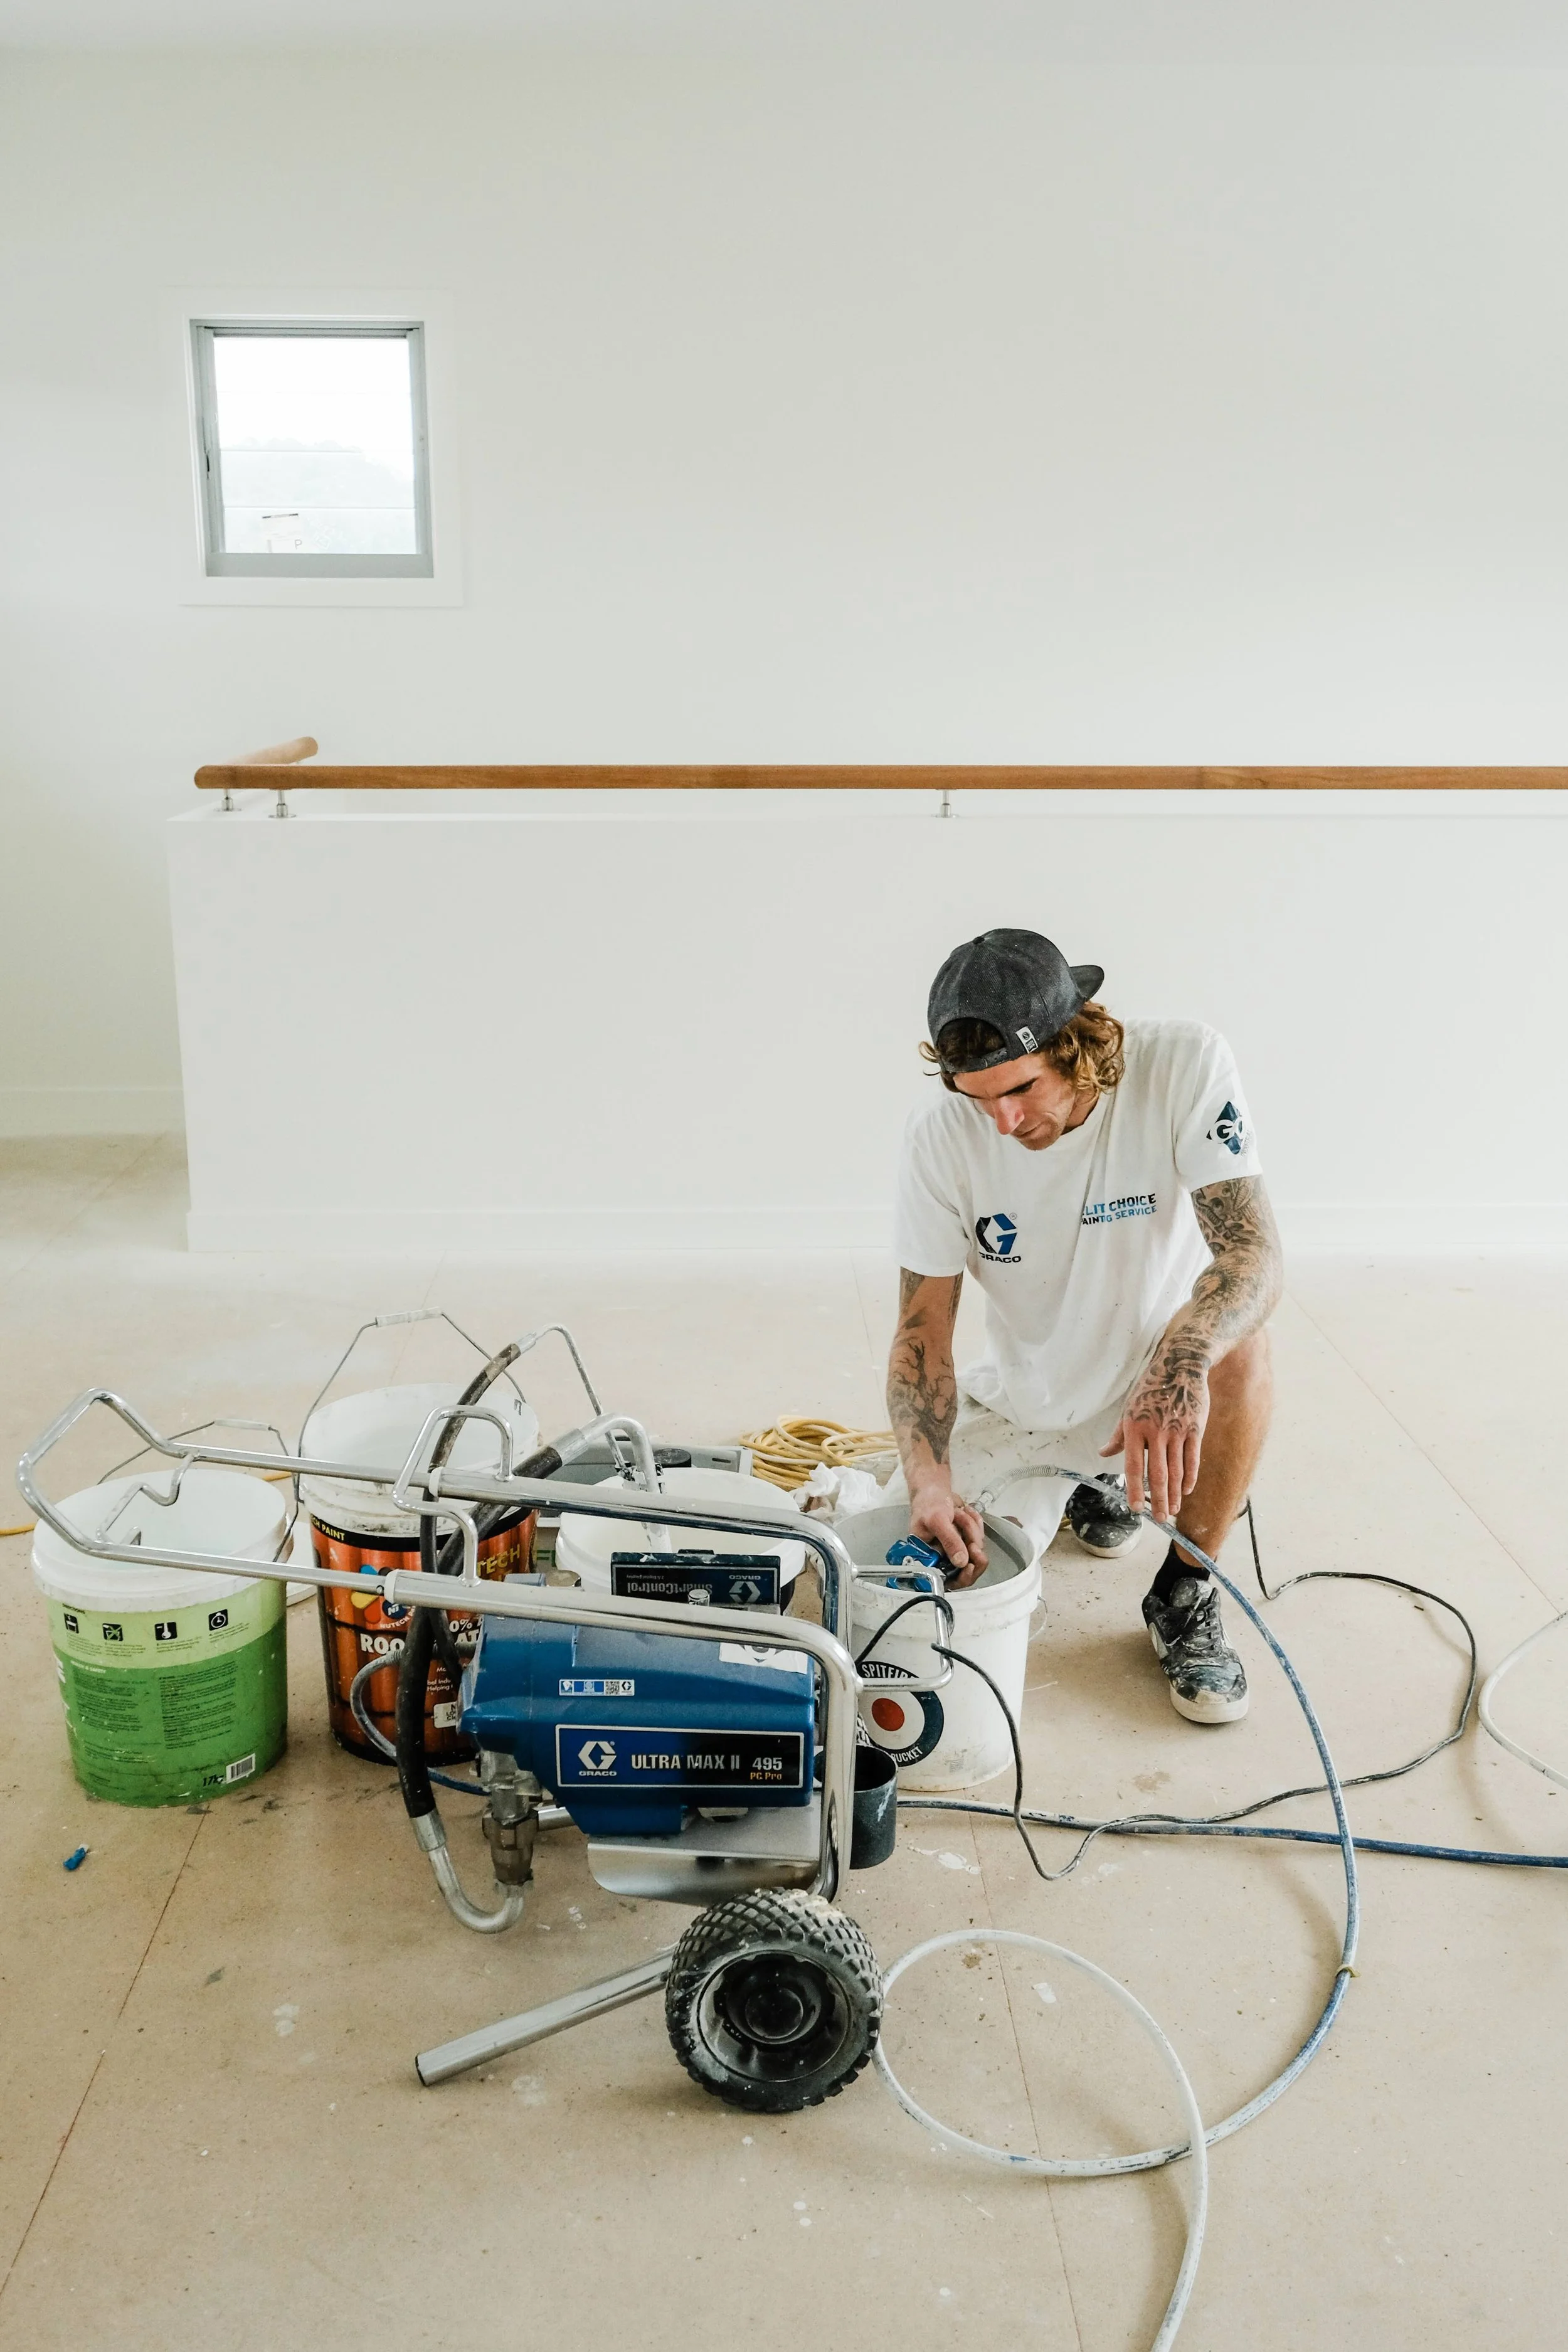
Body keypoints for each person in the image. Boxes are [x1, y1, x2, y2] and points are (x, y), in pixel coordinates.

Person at [884, 928, 1281, 1724]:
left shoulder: (1182, 1064)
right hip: (1033, 1390)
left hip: (1158, 1376)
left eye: (1020, 1089)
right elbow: (923, 1329)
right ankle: (1101, 1483)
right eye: (977, 1096)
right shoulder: (941, 1139)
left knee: (1240, 1347)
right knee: (927, 1587)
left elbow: (1253, 1255)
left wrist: (1180, 1364)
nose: (1001, 1120)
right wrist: (930, 1479)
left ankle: (1184, 1587)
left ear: (1075, 1042)